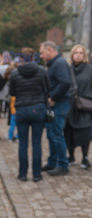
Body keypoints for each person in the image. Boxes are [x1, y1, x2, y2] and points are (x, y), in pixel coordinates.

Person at [9, 48, 49, 182]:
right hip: (38, 108)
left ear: (20, 58)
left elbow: (12, 92)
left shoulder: (15, 73)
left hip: (22, 109)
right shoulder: (42, 71)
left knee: (23, 144)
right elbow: (46, 88)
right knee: (37, 143)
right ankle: (37, 174)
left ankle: (23, 174)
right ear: (33, 57)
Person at [39, 41, 72, 176]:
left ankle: (63, 164)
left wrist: (53, 97)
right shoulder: (54, 63)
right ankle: (53, 162)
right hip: (55, 104)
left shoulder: (59, 63)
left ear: (49, 49)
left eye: (42, 52)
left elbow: (65, 82)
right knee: (51, 134)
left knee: (56, 134)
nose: (41, 56)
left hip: (59, 103)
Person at [66, 44, 92, 169]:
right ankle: (70, 156)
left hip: (85, 106)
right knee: (69, 131)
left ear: (84, 55)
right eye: (76, 53)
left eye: (81, 53)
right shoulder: (68, 69)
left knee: (85, 132)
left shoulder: (89, 69)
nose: (78, 55)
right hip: (71, 106)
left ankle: (85, 157)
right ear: (72, 55)